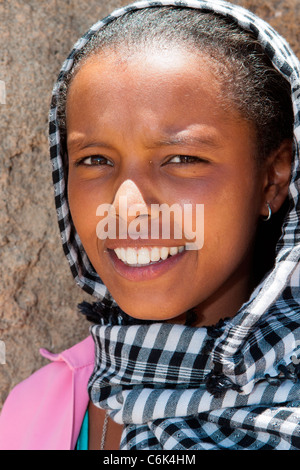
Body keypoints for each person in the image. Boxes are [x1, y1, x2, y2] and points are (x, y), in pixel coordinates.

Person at [0, 0, 300, 450]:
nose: (127, 209)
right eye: (95, 159)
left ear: (271, 179)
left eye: (182, 159)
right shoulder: (33, 410)